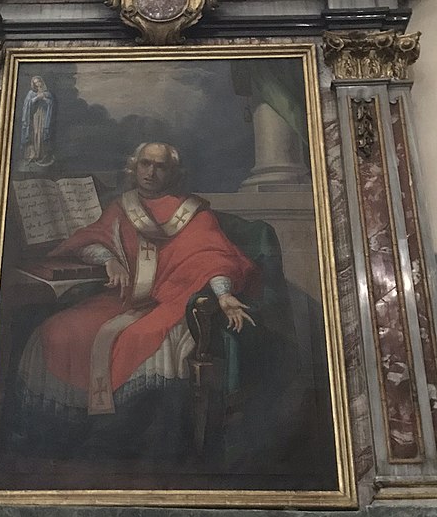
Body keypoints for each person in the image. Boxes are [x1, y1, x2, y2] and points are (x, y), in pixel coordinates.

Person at [15, 141, 259, 430]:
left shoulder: (193, 213)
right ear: (134, 166)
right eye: (145, 163)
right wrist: (109, 260)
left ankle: (129, 432)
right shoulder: (123, 206)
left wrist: (223, 294)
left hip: (171, 302)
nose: (151, 172)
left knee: (140, 337)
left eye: (160, 166)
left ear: (173, 173)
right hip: (122, 299)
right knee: (57, 329)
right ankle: (65, 431)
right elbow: (93, 238)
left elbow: (213, 257)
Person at [20, 75, 55, 166]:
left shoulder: (47, 93)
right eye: (35, 83)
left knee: (43, 133)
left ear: (41, 82)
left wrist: (44, 98)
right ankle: (34, 154)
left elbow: (50, 104)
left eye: (38, 82)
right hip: (35, 117)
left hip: (44, 115)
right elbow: (28, 104)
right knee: (35, 133)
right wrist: (36, 98)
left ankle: (43, 154)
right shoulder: (31, 93)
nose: (37, 84)